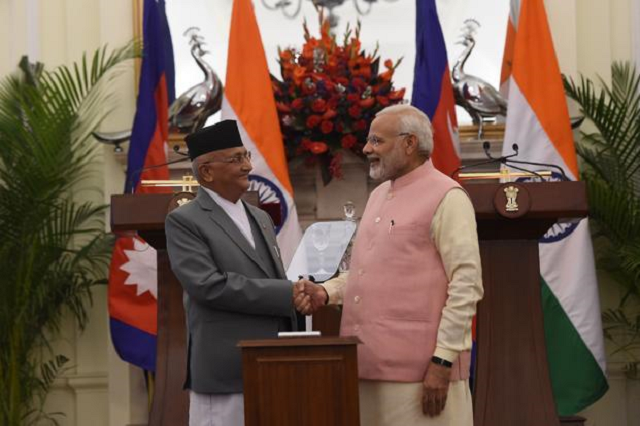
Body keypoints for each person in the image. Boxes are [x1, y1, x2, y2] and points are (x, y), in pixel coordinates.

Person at [296, 104, 484, 426]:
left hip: (422, 374)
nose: (367, 149)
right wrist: (325, 292)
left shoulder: (448, 197)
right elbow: (363, 272)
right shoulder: (378, 195)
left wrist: (442, 362)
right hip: (364, 366)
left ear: (409, 143)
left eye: (376, 141)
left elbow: (466, 285)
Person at [165, 120, 310, 426]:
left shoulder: (260, 217)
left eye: (246, 156)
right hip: (224, 373)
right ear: (206, 171)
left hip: (273, 365)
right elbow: (208, 285)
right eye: (236, 159)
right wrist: (288, 293)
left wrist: (299, 297)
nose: (247, 166)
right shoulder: (185, 221)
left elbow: (272, 277)